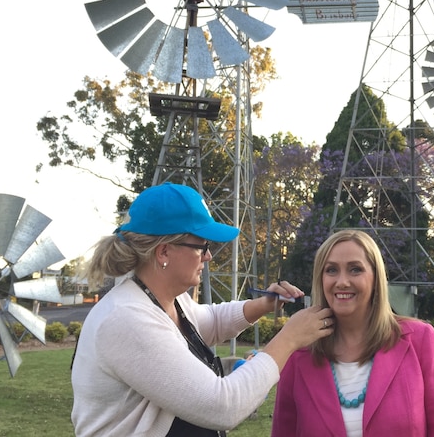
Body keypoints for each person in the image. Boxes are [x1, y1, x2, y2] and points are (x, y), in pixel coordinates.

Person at [71, 182, 334, 437]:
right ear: (164, 252)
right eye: (202, 247)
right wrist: (289, 338)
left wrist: (263, 305)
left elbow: (207, 321)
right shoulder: (127, 318)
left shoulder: (166, 299)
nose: (208, 256)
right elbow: (222, 406)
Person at [271, 230, 434, 437]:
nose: (342, 281)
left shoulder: (419, 340)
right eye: (331, 270)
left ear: (375, 277)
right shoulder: (297, 353)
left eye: (355, 269)